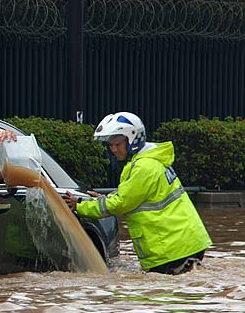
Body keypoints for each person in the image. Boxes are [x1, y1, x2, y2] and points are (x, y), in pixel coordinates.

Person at [64, 112, 212, 275]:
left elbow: (122, 204)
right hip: (182, 244)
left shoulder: (143, 167)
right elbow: (132, 196)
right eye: (110, 145)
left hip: (172, 249)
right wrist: (103, 199)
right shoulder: (149, 161)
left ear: (132, 140)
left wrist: (79, 205)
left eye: (117, 144)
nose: (113, 149)